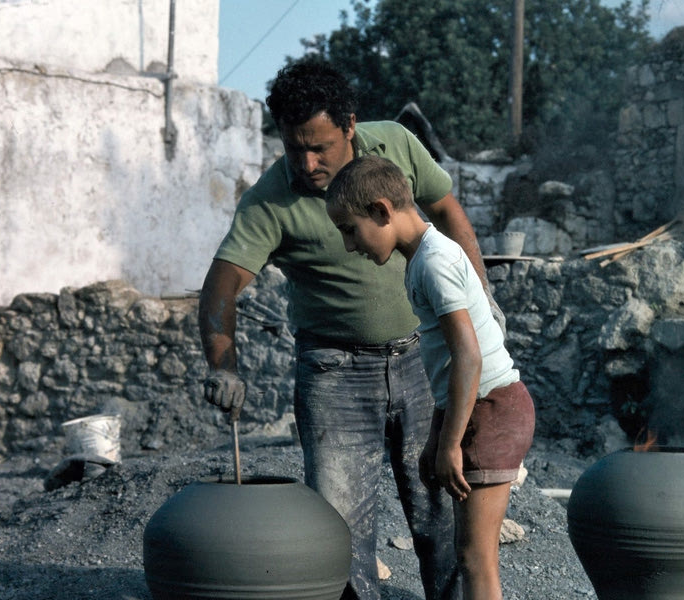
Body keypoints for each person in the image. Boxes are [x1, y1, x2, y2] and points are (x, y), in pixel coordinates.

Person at [198, 60, 500, 600]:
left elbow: (449, 212)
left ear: (351, 127)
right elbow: (220, 288)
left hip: (420, 363)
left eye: (320, 147)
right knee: (339, 536)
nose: (307, 162)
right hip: (334, 375)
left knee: (442, 514)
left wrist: (480, 295)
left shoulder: (398, 148)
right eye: (294, 148)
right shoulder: (269, 202)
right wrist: (224, 367)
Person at [324, 155, 536, 600]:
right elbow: (446, 370)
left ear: (382, 211)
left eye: (350, 229)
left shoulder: (433, 263)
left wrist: (452, 443)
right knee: (469, 555)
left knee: (476, 560)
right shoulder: (425, 256)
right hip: (484, 407)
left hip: (493, 409)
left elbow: (468, 359)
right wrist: (436, 440)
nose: (349, 245)